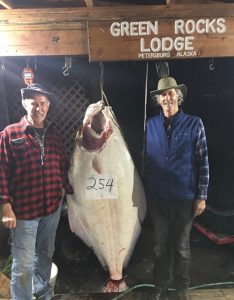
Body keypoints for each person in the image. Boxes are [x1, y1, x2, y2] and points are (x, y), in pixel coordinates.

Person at [0, 83, 73, 300]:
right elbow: (1, 171)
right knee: (23, 264)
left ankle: (42, 294)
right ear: (25, 104)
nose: (38, 108)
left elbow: (61, 166)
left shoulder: (54, 135)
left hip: (51, 209)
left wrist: (64, 190)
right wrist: (5, 206)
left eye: (42, 103)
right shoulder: (9, 134)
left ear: (48, 106)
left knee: (44, 256)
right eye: (33, 103)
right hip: (23, 213)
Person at [145, 77, 209, 300]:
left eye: (171, 93)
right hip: (157, 198)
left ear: (178, 97)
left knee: (181, 246)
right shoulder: (150, 125)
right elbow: (144, 161)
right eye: (163, 95)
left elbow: (203, 162)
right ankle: (160, 286)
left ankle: (182, 289)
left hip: (184, 197)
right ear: (158, 99)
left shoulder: (195, 124)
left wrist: (201, 196)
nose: (167, 98)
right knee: (159, 246)